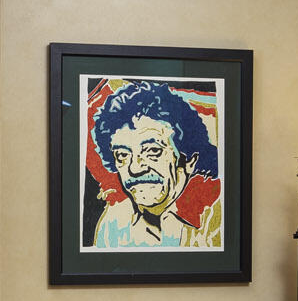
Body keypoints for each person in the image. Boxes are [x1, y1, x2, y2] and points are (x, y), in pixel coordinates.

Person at [86, 79, 222, 248]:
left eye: (153, 151)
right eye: (122, 155)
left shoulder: (217, 220)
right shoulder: (113, 223)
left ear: (189, 161)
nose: (135, 168)